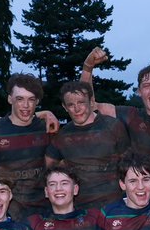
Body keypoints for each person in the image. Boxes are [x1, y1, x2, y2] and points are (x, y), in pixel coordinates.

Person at [82, 50, 150, 191]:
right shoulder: (131, 116)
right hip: (143, 200)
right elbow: (89, 106)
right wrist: (88, 67)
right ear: (139, 91)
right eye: (146, 86)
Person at [46, 80, 130, 213]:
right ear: (64, 107)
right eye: (71, 105)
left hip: (114, 206)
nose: (77, 109)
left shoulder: (113, 126)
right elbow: (49, 167)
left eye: (81, 103)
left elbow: (128, 164)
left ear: (91, 102)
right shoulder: (62, 136)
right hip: (79, 210)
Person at [0, 74, 53, 218]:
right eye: (20, 99)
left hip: (42, 211)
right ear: (9, 99)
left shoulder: (47, 129)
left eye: (31, 99)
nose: (26, 105)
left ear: (37, 101)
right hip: (5, 211)